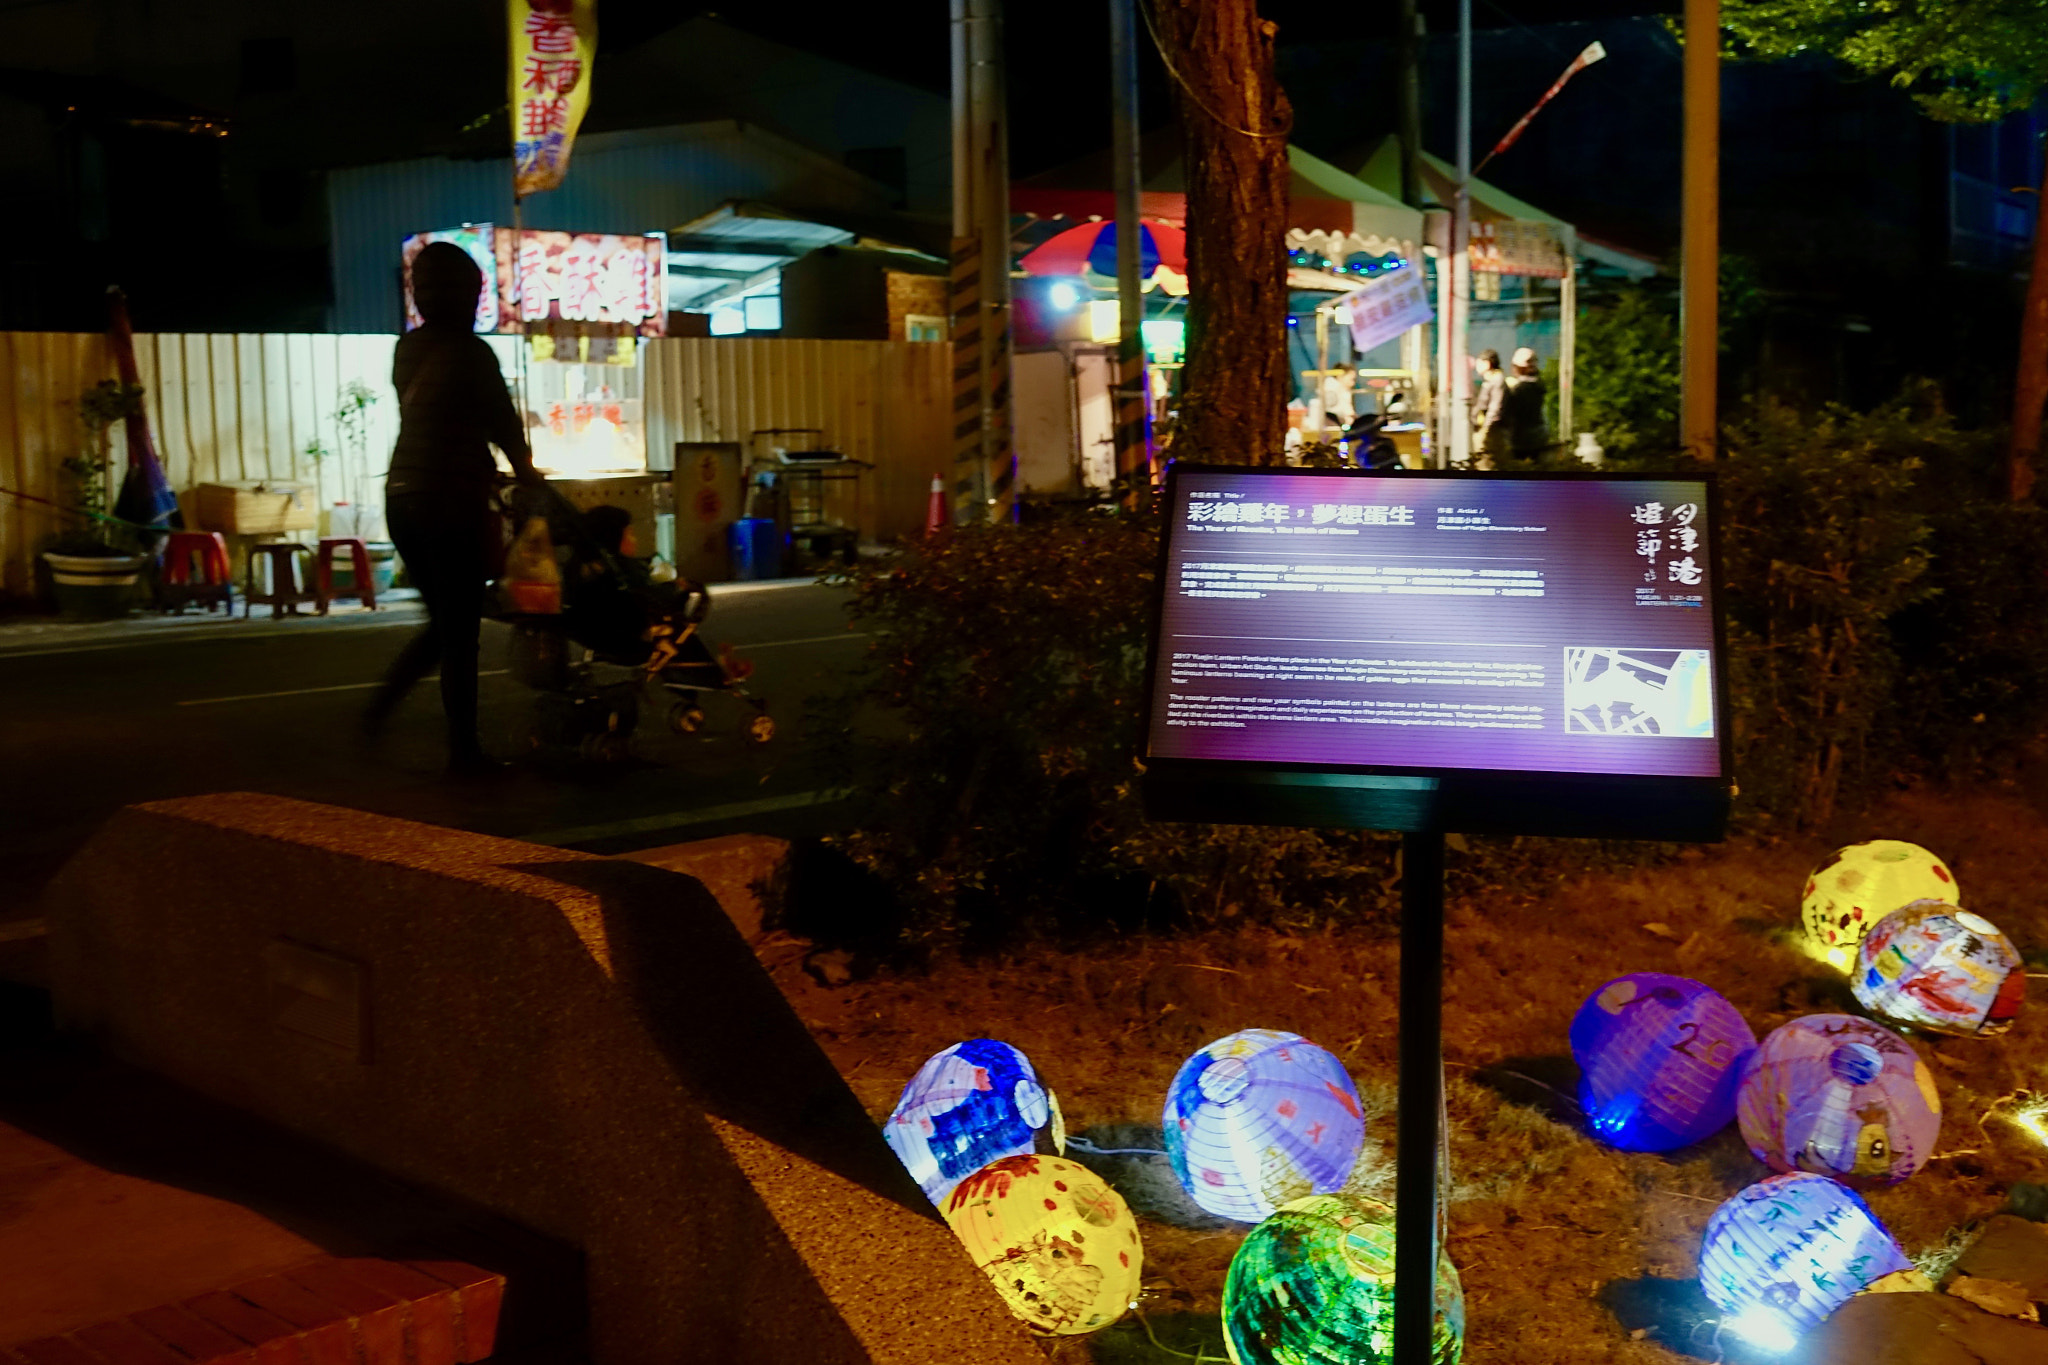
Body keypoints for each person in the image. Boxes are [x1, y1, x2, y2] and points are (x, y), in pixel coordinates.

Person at [362, 241, 543, 776]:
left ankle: (378, 712)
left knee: (445, 625)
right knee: (459, 632)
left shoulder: (407, 351)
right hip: (450, 500)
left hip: (404, 497)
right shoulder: (472, 352)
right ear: (471, 296)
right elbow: (504, 426)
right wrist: (529, 478)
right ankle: (465, 753)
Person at [1500, 346, 1550, 461]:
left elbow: (1506, 414)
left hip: (1520, 439)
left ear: (1517, 368)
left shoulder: (1517, 390)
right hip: (1540, 436)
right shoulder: (1540, 386)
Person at [1471, 350, 1505, 468]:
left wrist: (1486, 428)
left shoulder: (1497, 380)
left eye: (1479, 362)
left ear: (1487, 363)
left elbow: (1495, 406)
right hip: (1485, 427)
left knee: (1486, 462)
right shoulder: (1491, 380)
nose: (1476, 366)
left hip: (1490, 429)